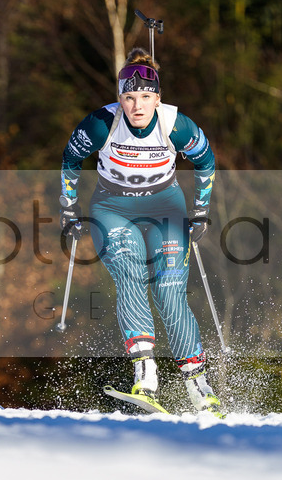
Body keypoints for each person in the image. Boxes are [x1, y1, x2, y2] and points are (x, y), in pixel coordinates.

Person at [59, 47, 219, 414]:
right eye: (129, 98)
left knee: (169, 292)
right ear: (120, 99)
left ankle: (200, 389)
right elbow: (70, 159)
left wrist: (201, 211)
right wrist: (69, 208)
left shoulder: (175, 124)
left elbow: (206, 162)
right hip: (113, 208)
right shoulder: (100, 124)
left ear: (158, 98)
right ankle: (145, 376)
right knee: (130, 274)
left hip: (166, 208)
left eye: (146, 97)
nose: (137, 106)